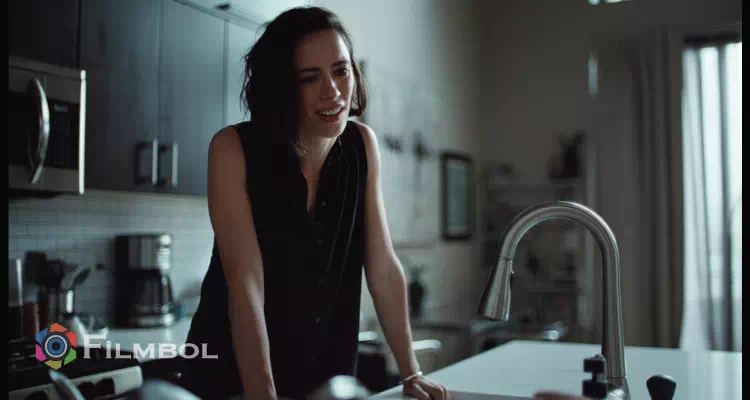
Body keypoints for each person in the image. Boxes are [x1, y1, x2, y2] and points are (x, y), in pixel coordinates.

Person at [178, 6, 450, 400]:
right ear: (281, 88)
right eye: (309, 78)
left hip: (325, 378)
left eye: (341, 71)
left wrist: (411, 373)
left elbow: (383, 265)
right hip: (229, 377)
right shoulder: (232, 149)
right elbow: (245, 282)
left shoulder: (362, 146)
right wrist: (261, 392)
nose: (333, 92)